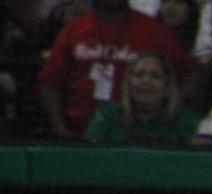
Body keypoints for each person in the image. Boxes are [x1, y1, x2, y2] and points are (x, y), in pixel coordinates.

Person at [38, 0, 192, 139]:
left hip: (132, 136)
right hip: (76, 136)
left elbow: (184, 77)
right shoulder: (72, 30)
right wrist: (60, 130)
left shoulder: (155, 32)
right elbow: (49, 84)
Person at [83, 51, 202, 143]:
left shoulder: (186, 121)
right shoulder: (107, 117)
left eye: (155, 76)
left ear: (167, 87)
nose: (146, 81)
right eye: (139, 75)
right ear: (128, 84)